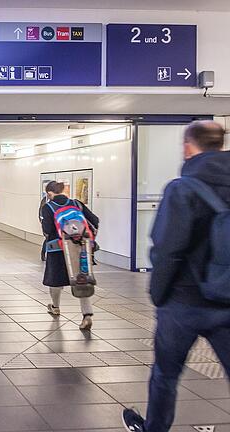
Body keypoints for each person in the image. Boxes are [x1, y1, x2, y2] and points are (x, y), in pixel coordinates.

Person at [123, 121, 230, 432]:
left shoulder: (182, 188)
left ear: (187, 147)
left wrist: (158, 293)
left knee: (166, 374)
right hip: (228, 299)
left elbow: (167, 248)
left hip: (183, 301)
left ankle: (155, 428)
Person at [41, 180, 99, 331]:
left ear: (49, 193)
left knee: (56, 280)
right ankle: (87, 315)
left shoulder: (48, 207)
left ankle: (55, 307)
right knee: (81, 280)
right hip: (79, 250)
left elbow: (47, 229)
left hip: (57, 249)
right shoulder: (76, 204)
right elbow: (95, 220)